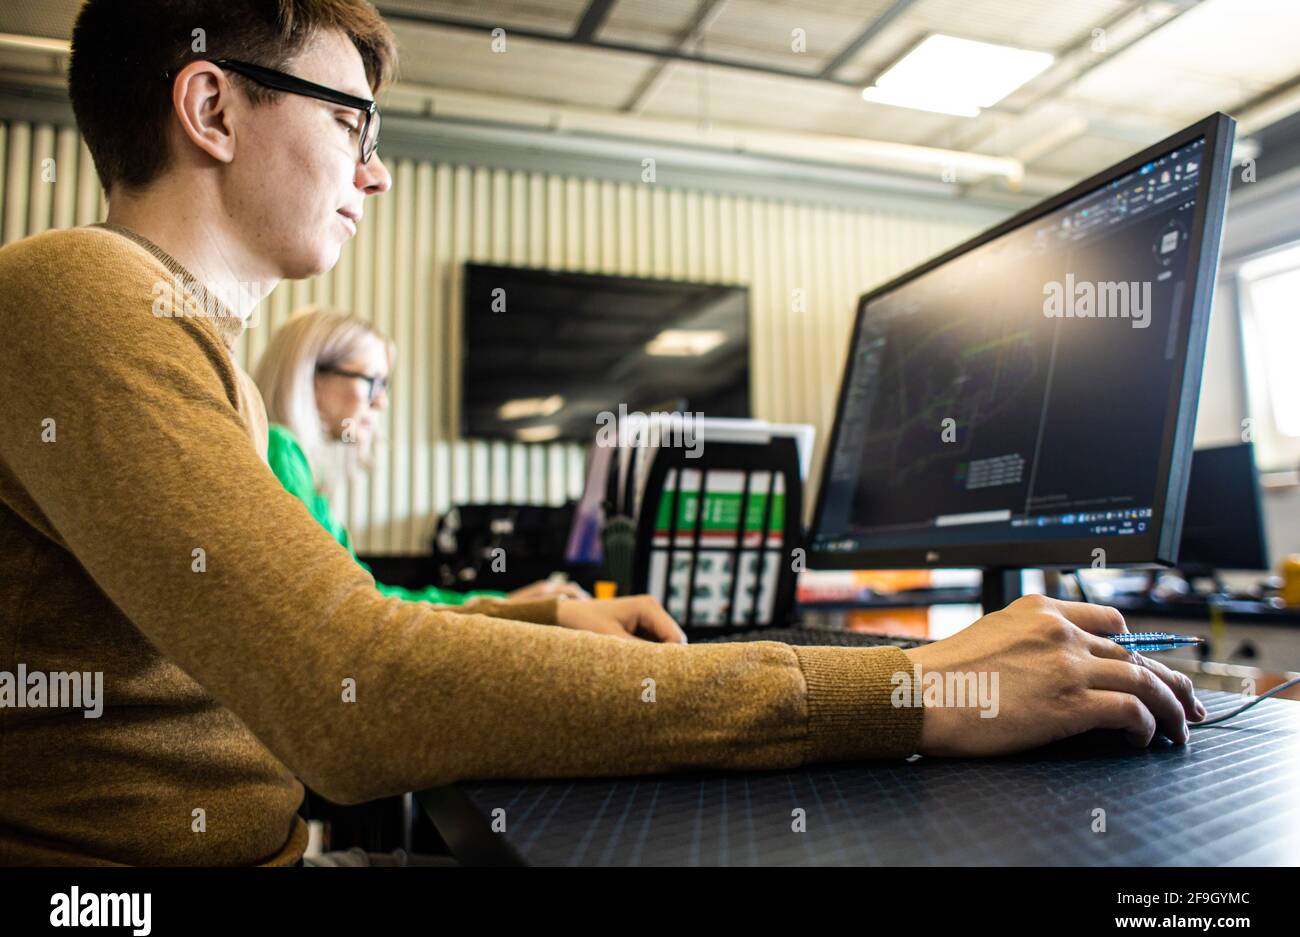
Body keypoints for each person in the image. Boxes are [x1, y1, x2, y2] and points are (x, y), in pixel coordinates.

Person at [0, 0, 1203, 867]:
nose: (375, 173)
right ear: (211, 105)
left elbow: (293, 648)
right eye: (354, 125)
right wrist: (910, 687)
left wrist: (524, 618)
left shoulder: (187, 342)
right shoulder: (81, 289)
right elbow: (348, 692)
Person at [253, 307, 587, 605]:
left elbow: (366, 595)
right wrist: (499, 606)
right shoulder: (280, 447)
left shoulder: (295, 465)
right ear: (312, 377)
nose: (381, 402)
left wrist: (498, 603)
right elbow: (354, 605)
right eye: (372, 381)